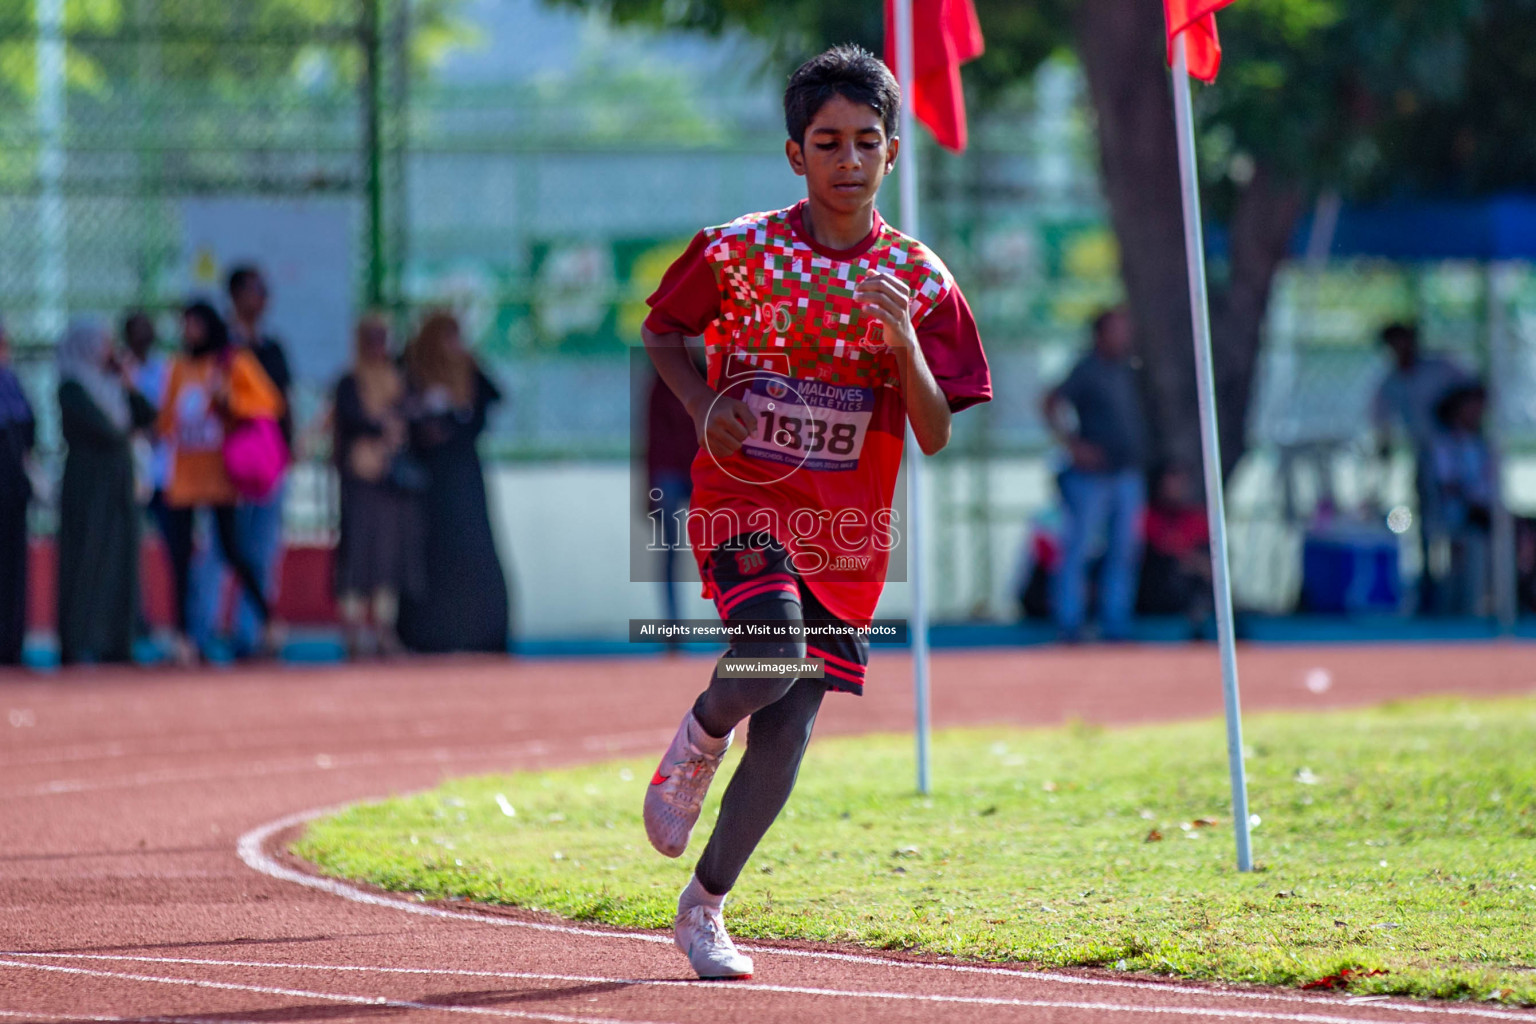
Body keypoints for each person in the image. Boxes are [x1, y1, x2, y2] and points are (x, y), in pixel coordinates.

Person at [639, 46, 990, 980]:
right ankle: (699, 736)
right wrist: (705, 407)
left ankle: (705, 907)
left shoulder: (921, 279)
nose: (847, 159)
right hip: (744, 498)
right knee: (770, 655)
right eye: (827, 142)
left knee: (789, 729)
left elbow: (936, 431)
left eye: (866, 142)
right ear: (795, 153)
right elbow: (662, 330)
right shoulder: (739, 250)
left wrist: (905, 343)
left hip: (847, 532)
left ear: (892, 153)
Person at [156, 301, 283, 665]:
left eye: (195, 325)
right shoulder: (178, 367)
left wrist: (226, 398)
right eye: (185, 325)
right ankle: (185, 638)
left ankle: (268, 621)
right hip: (183, 477)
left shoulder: (232, 363)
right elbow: (167, 421)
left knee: (233, 551)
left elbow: (267, 404)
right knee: (179, 557)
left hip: (220, 476)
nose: (189, 332)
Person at [396, 311, 510, 654]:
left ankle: (482, 633)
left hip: (465, 478)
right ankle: (428, 634)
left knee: (473, 549)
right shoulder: (413, 366)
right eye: (447, 337)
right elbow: (399, 412)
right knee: (431, 554)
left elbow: (494, 399)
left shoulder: (469, 370)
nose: (453, 345)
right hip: (429, 482)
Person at [1042, 307, 1148, 642]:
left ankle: (1115, 623)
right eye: (1117, 330)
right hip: (1092, 478)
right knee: (1078, 548)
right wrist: (1073, 446)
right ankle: (1070, 622)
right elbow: (1050, 401)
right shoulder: (1086, 370)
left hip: (1127, 474)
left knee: (1124, 550)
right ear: (1100, 334)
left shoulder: (1129, 370)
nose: (1124, 336)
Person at [54, 318, 157, 665]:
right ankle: (78, 641)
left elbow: (146, 418)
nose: (110, 350)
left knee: (122, 561)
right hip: (88, 486)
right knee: (86, 561)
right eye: (103, 343)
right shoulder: (71, 386)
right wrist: (126, 436)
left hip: (118, 485)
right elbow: (108, 432)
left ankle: (117, 641)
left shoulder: (112, 386)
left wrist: (129, 384)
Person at [332, 314, 423, 657]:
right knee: (357, 557)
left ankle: (384, 631)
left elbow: (411, 415)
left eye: (383, 338)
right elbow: (353, 420)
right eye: (372, 338)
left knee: (388, 557)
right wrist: (381, 424)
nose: (378, 345)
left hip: (390, 482)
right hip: (359, 479)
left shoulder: (398, 379)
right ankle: (353, 632)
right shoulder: (350, 381)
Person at [1371, 322, 1471, 613]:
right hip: (1426, 459)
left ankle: (1460, 593)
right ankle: (1430, 587)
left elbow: (1473, 391)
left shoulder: (1441, 369)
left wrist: (1454, 416)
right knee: (1426, 522)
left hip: (1456, 454)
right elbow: (1382, 426)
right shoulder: (1390, 383)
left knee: (1458, 523)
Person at [224, 265, 294, 656]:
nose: (261, 299)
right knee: (223, 551)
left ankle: (250, 633)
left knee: (263, 549)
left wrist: (289, 448)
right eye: (254, 291)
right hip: (228, 463)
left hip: (268, 462)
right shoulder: (223, 348)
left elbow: (282, 401)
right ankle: (204, 632)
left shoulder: (273, 348)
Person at [1428, 382, 1494, 616]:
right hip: (1459, 517)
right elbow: (1449, 486)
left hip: (1485, 514)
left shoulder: (1483, 444)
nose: (1477, 413)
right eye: (1471, 407)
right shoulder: (1445, 444)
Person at [646, 363, 701, 630]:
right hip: (670, 473)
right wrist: (649, 488)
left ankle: (732, 626)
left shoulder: (711, 377)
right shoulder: (659, 384)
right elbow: (651, 438)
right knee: (668, 551)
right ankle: (672, 628)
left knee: (723, 548)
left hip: (701, 469)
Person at [1136, 463, 1212, 633]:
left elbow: (1208, 561)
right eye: (1172, 483)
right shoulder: (1149, 515)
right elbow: (1163, 549)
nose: (1178, 489)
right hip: (1157, 591)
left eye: (1182, 483)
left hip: (1191, 586)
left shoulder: (1198, 518)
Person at [0, 320, 35, 666]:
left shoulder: (11, 382)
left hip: (11, 491)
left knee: (12, 568)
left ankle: (10, 644)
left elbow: (28, 431)